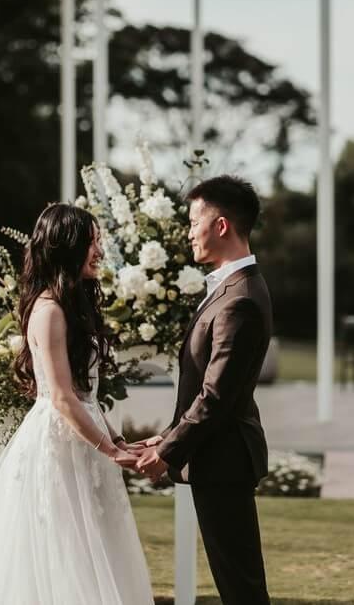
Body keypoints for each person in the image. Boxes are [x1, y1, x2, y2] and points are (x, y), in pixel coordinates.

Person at [0, 203, 155, 605]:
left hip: (84, 442)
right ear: (67, 247)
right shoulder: (49, 311)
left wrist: (116, 440)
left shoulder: (72, 308)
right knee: (61, 545)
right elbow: (61, 398)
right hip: (58, 446)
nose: (99, 252)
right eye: (91, 243)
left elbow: (84, 394)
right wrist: (107, 449)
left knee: (93, 547)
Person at [133, 175, 273, 605]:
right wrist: (168, 436)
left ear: (222, 225)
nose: (189, 231)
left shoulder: (240, 299)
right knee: (237, 584)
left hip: (224, 459)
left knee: (242, 589)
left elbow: (216, 396)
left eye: (195, 220)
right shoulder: (228, 288)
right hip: (218, 457)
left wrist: (167, 452)